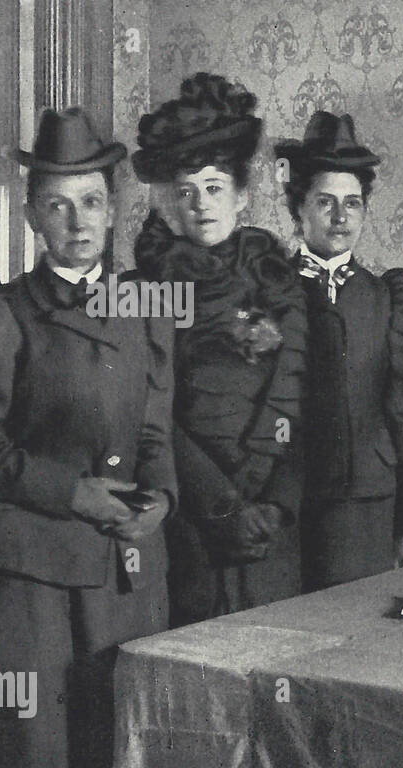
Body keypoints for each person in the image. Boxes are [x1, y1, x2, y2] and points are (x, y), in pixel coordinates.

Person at [0, 108, 176, 768]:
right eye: (59, 204)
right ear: (35, 213)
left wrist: (161, 498)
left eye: (94, 201)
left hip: (123, 581)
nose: (79, 221)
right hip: (26, 583)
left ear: (115, 208)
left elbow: (155, 433)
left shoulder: (144, 308)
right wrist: (73, 494)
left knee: (115, 763)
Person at [131, 73, 307, 624]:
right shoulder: (144, 290)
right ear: (167, 203)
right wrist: (222, 506)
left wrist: (274, 501)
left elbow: (304, 399)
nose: (201, 206)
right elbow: (150, 412)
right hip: (192, 510)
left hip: (272, 514)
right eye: (186, 192)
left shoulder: (278, 279)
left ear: (242, 195)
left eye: (214, 188)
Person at [274, 112, 403, 590]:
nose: (340, 218)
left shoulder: (387, 296)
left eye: (353, 204)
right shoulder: (271, 289)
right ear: (298, 208)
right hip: (288, 503)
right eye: (325, 202)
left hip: (368, 504)